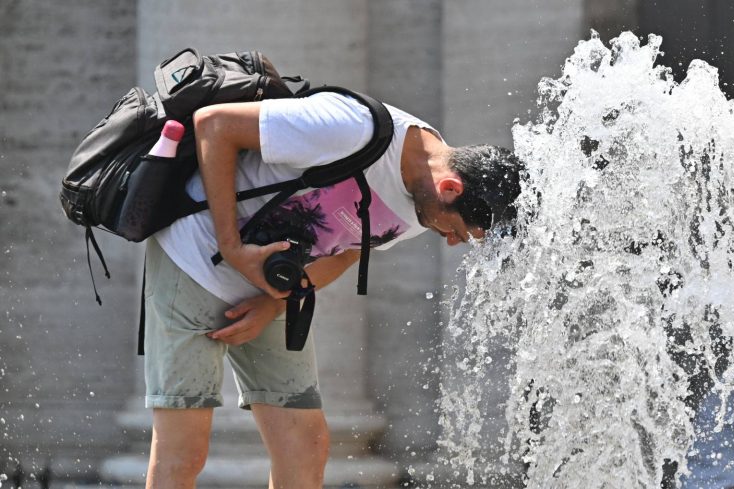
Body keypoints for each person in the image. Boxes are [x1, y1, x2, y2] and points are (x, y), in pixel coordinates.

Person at [142, 90, 521, 488]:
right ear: (450, 189)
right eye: (457, 230)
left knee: (306, 444)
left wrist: (273, 304)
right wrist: (233, 248)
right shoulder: (352, 128)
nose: (450, 241)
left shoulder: (419, 206)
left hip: (271, 284)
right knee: (184, 450)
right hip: (196, 252)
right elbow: (214, 123)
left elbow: (344, 252)